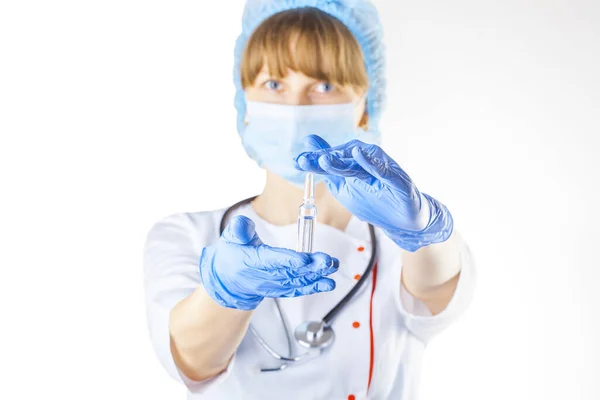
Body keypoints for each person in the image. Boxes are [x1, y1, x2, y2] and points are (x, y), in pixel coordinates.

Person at [143, 1, 476, 399]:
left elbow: (437, 287)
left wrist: (423, 232)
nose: (297, 108)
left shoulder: (396, 239)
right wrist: (226, 292)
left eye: (324, 85)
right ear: (243, 102)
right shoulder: (187, 236)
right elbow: (191, 360)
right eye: (273, 84)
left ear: (364, 107)